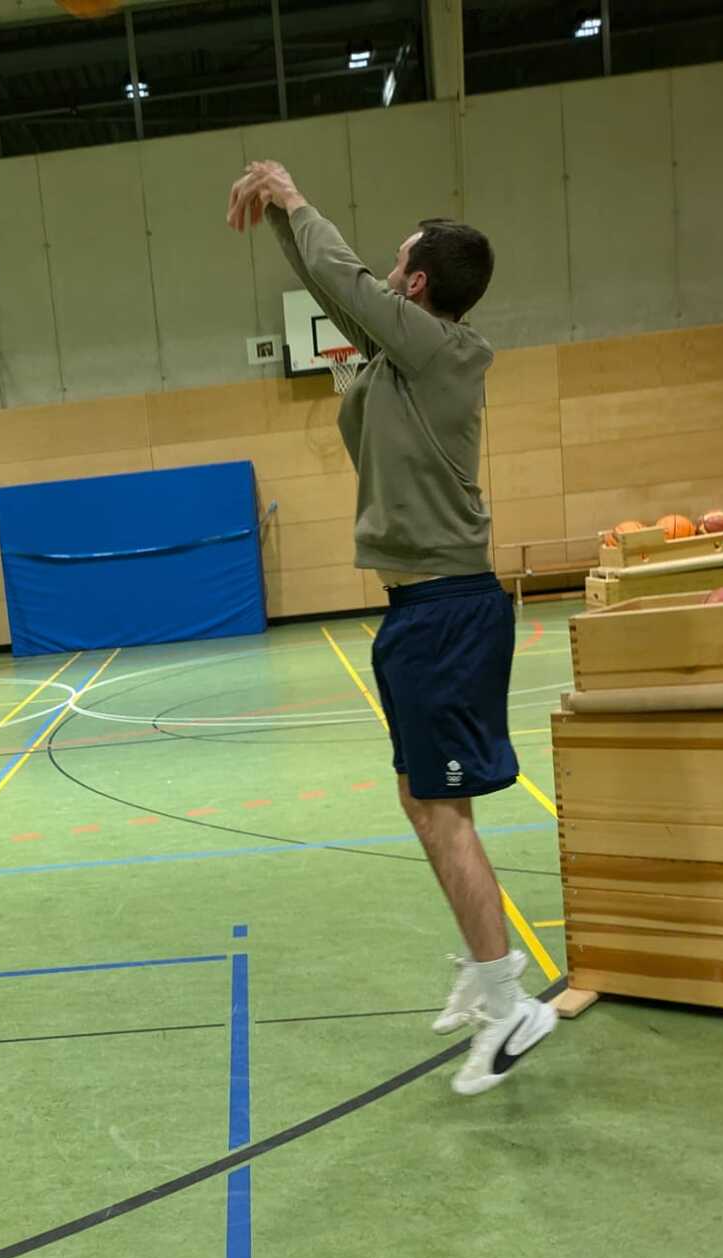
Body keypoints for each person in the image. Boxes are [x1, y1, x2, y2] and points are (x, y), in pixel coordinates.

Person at [227, 160, 553, 1096]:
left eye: (396, 261)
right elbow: (340, 292)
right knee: (424, 799)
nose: (380, 268)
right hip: (419, 611)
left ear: (413, 284)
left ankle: (509, 1003)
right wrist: (282, 222)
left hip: (448, 610)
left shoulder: (444, 352)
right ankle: (484, 968)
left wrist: (295, 199)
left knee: (443, 814)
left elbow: (346, 284)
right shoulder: (398, 357)